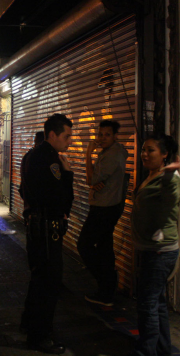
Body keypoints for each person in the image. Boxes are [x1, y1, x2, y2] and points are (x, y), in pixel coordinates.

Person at [131, 134, 180, 356]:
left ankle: (147, 351)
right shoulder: (152, 175)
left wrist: (168, 176)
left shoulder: (170, 179)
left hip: (159, 252)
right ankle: (162, 348)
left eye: (151, 150)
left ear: (164, 154)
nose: (144, 154)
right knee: (156, 302)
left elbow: (172, 198)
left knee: (147, 304)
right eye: (143, 149)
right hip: (150, 248)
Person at [21, 114, 74, 354]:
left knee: (38, 279)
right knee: (49, 283)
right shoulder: (50, 159)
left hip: (36, 226)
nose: (69, 141)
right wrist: (68, 174)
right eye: (67, 136)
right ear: (52, 135)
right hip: (46, 229)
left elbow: (23, 190)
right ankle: (40, 336)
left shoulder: (31, 155)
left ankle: (30, 325)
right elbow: (60, 198)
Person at [77, 120, 128, 306]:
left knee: (84, 245)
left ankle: (106, 284)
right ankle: (107, 291)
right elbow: (95, 181)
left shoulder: (112, 155)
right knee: (105, 248)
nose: (102, 138)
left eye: (107, 135)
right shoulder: (113, 151)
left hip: (104, 208)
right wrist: (97, 182)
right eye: (100, 134)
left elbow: (90, 179)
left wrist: (88, 153)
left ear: (115, 136)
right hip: (108, 205)